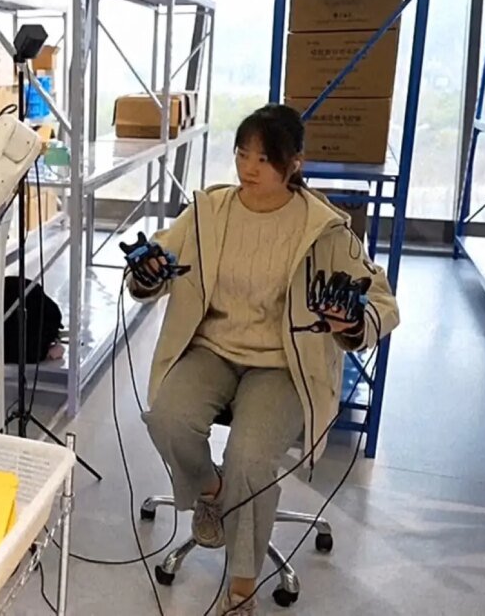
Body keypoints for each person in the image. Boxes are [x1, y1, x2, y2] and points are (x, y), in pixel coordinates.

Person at [125, 104, 400, 615]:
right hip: (211, 349)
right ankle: (213, 492)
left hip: (282, 364)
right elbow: (154, 262)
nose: (248, 168)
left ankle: (242, 587)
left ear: (294, 164)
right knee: (166, 417)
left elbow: (383, 301)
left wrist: (352, 322)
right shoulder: (209, 213)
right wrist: (147, 273)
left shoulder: (322, 228)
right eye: (241, 154)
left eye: (264, 159)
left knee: (250, 457)